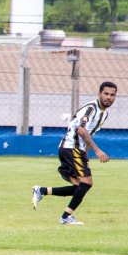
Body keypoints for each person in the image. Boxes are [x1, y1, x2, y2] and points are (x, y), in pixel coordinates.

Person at [31, 81, 117, 225]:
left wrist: (86, 155)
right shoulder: (91, 109)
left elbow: (89, 135)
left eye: (112, 95)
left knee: (80, 187)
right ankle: (65, 217)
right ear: (99, 94)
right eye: (106, 94)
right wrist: (97, 150)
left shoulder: (104, 114)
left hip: (75, 150)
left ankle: (42, 191)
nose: (109, 97)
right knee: (87, 183)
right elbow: (81, 130)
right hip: (71, 148)